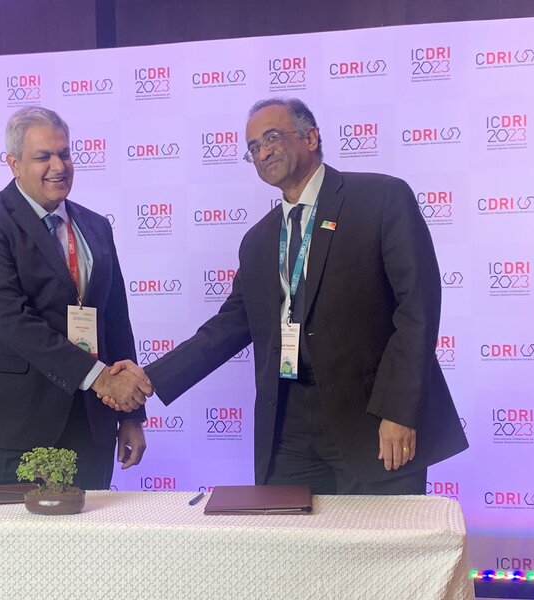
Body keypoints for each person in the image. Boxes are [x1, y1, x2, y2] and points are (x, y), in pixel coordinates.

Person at [108, 97, 467, 494]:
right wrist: (151, 378)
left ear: (310, 137)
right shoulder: (259, 240)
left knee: (379, 535)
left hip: (371, 419)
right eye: (253, 147)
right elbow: (228, 327)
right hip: (288, 428)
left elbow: (417, 310)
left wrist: (399, 410)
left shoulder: (381, 199)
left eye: (272, 137)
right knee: (288, 534)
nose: (263, 152)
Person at [0, 106, 151, 489]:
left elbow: (114, 320)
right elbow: (10, 319)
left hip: (89, 425)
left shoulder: (95, 225)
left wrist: (130, 415)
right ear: (14, 164)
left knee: (92, 530)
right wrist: (99, 379)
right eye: (43, 156)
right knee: (2, 531)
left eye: (65, 153)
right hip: (9, 429)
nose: (59, 166)